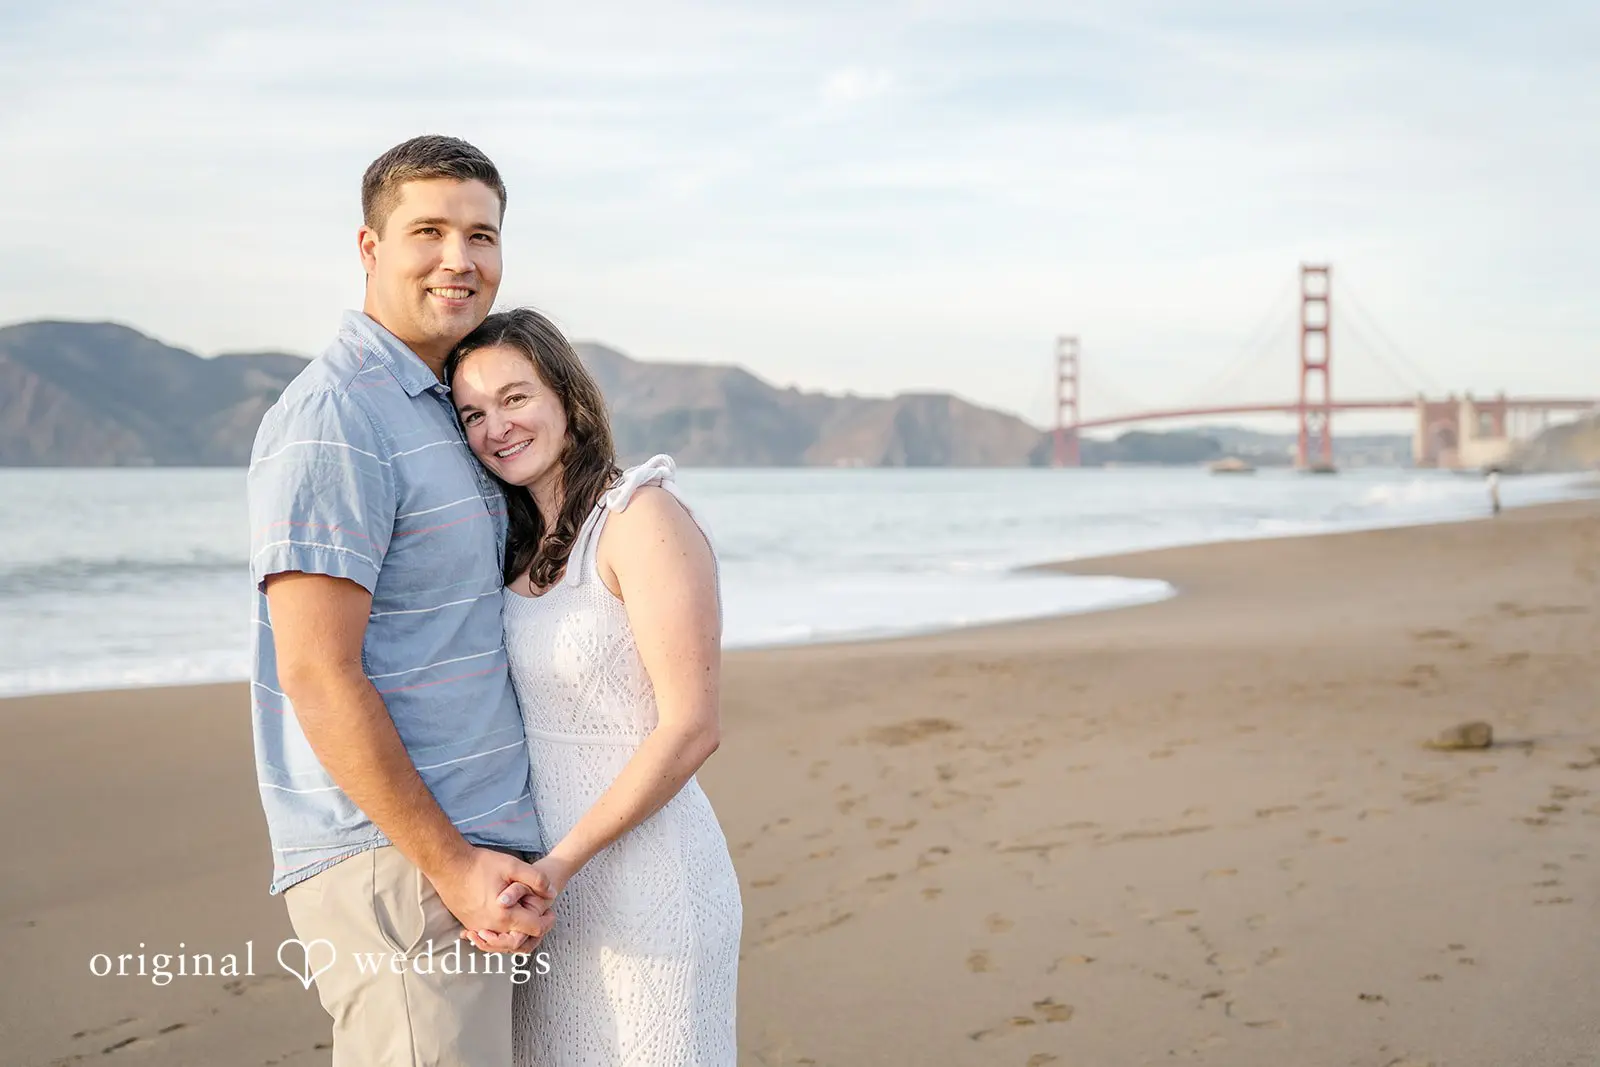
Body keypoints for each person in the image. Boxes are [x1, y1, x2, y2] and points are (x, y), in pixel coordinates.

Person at [248, 136, 552, 1067]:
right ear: (370, 248)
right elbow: (315, 668)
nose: (460, 259)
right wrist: (452, 866)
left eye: (482, 235)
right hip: (405, 864)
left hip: (472, 859)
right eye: (429, 230)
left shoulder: (443, 406)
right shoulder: (337, 414)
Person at [445, 308, 742, 1066]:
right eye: (473, 413)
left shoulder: (642, 518)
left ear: (568, 399)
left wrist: (561, 863)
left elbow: (690, 726)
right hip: (543, 896)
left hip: (647, 884)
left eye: (515, 398)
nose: (495, 428)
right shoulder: (512, 541)